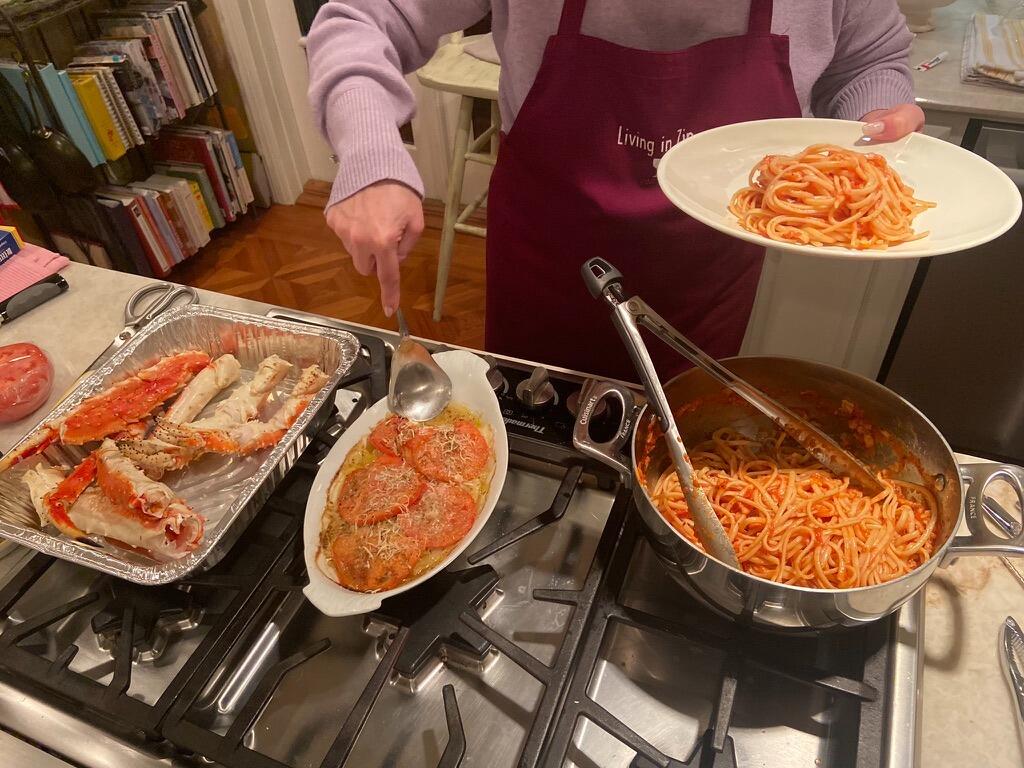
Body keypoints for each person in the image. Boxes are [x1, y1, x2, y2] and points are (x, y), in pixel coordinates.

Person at [307, 1, 923, 380]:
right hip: (546, 268)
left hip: (705, 287)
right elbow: (362, 15)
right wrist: (369, 153)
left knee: (672, 446)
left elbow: (871, 58)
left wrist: (875, 121)